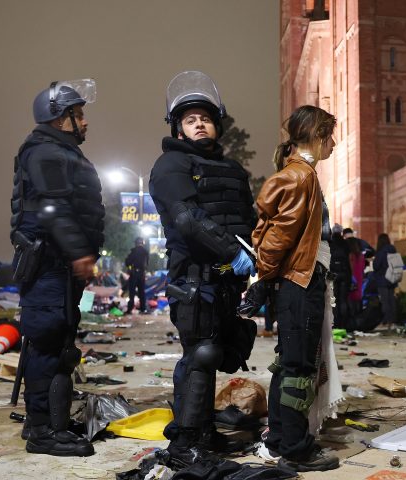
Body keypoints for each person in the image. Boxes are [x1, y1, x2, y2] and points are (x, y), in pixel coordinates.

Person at [149, 71, 257, 466]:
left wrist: (254, 259)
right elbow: (187, 219)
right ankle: (185, 445)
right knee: (201, 354)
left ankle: (204, 432)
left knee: (220, 351)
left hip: (229, 281)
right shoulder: (171, 165)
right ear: (178, 127)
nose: (199, 123)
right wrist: (233, 252)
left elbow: (247, 218)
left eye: (206, 118)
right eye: (191, 119)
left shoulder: (231, 170)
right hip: (194, 279)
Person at [9, 79, 104, 456]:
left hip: (59, 266)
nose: (84, 122)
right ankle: (44, 433)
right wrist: (80, 251)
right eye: (78, 115)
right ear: (60, 119)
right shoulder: (45, 153)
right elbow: (52, 207)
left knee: (57, 343)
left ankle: (42, 421)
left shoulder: (60, 153)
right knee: (49, 344)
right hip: (49, 264)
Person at [252, 105, 341, 472]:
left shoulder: (302, 175)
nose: (333, 144)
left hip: (300, 281)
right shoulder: (300, 176)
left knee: (289, 363)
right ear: (318, 136)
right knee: (298, 368)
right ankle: (295, 447)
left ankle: (279, 439)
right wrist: (263, 278)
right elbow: (275, 238)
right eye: (329, 136)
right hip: (299, 283)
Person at [372, 234, 399, 325]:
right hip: (392, 277)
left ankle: (386, 320)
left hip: (382, 279)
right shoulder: (393, 249)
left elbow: (376, 266)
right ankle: (393, 319)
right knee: (391, 299)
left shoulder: (381, 252)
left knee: (385, 301)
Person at [329, 224, 351, 329]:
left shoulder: (330, 243)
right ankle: (344, 324)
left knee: (334, 300)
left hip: (333, 275)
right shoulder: (346, 244)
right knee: (343, 300)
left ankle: (336, 323)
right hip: (344, 274)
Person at [124, 237, 149, 314]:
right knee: (142, 292)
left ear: (136, 243)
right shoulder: (145, 252)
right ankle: (143, 309)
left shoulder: (133, 251)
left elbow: (127, 262)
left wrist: (130, 266)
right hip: (142, 274)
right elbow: (147, 263)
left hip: (134, 273)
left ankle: (130, 309)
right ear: (142, 243)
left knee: (132, 292)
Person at [347, 236, 365, 315]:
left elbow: (350, 267)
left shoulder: (350, 255)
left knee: (351, 297)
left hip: (352, 278)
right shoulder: (361, 255)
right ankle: (358, 315)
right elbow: (363, 267)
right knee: (358, 297)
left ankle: (353, 317)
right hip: (359, 278)